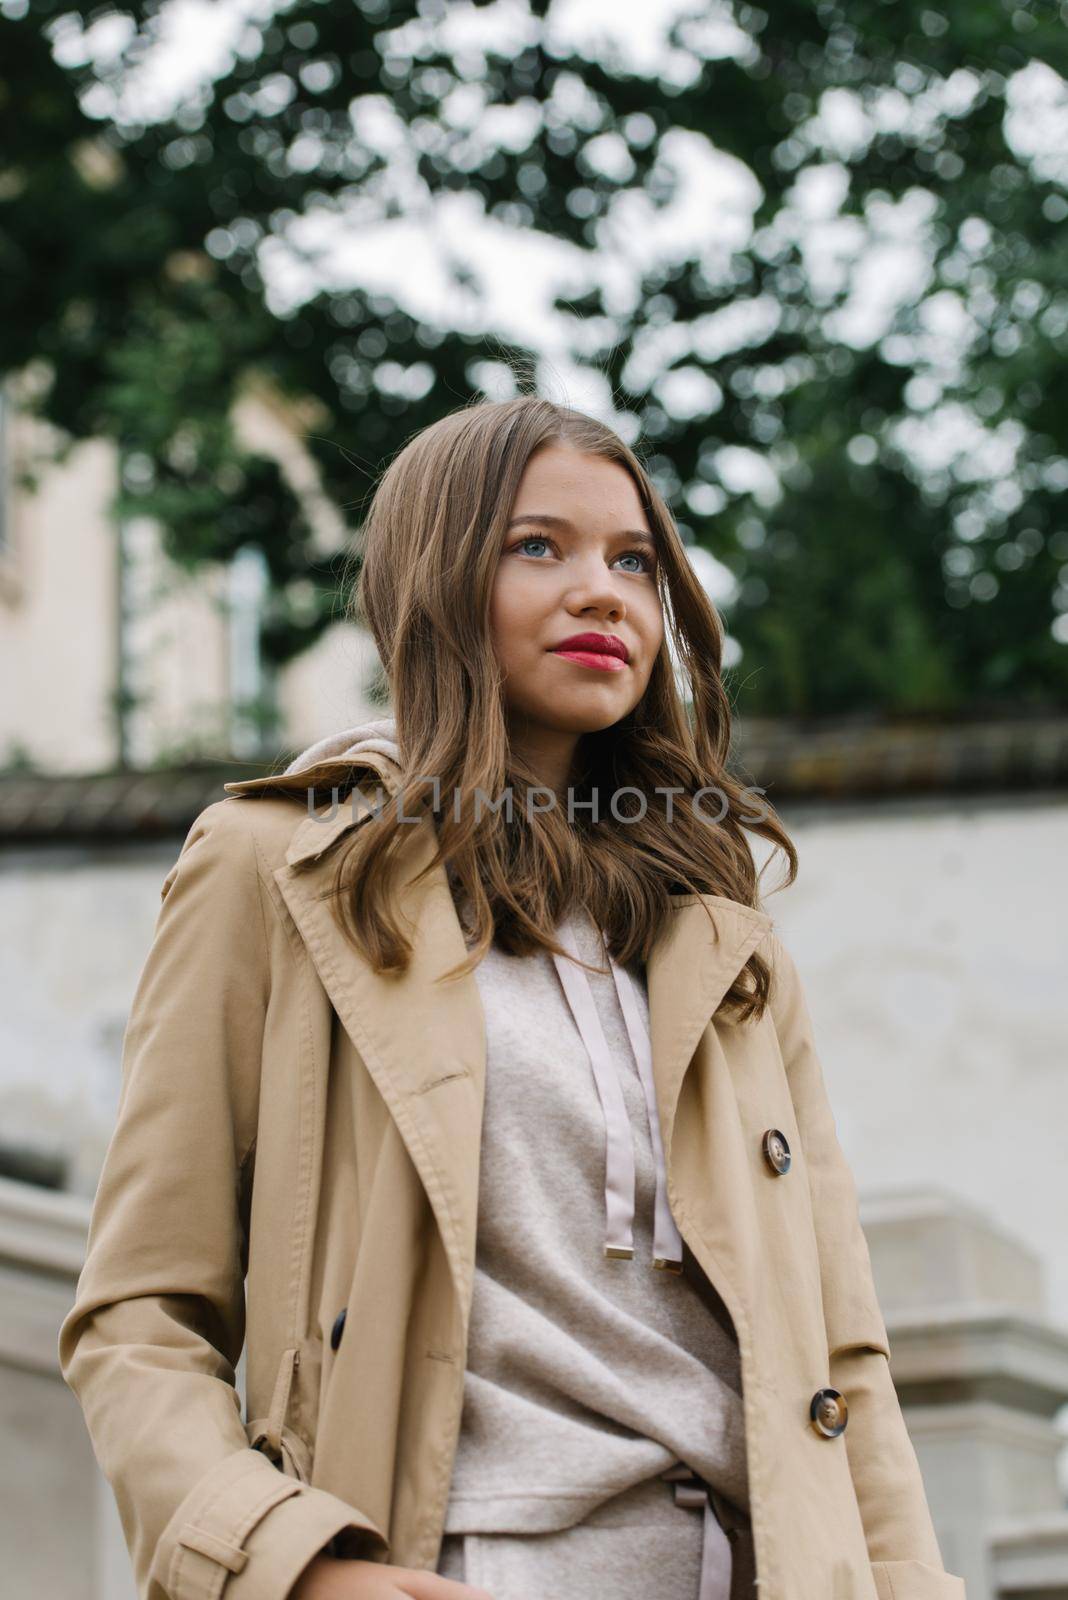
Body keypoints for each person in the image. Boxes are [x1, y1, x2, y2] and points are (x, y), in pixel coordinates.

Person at [59, 395, 966, 1600]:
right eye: (538, 546)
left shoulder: (721, 939)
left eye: (633, 561)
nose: (603, 592)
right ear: (434, 574)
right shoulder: (276, 866)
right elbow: (139, 1313)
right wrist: (293, 1566)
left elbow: (841, 1351)